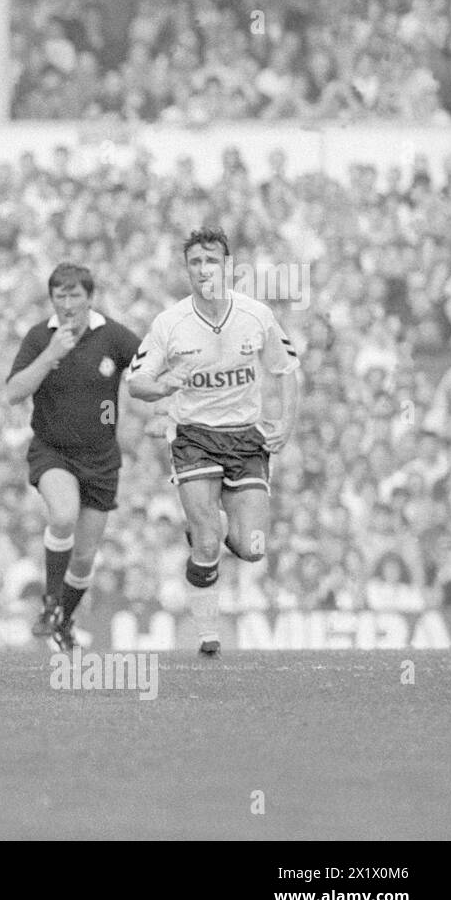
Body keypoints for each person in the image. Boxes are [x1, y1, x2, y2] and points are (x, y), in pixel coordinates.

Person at [128, 227, 301, 657]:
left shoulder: (256, 315)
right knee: (207, 539)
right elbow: (137, 384)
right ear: (187, 270)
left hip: (246, 439)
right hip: (194, 438)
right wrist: (167, 383)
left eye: (211, 261)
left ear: (228, 267)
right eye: (195, 262)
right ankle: (208, 635)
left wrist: (288, 422)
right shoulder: (170, 323)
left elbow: (286, 369)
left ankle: (217, 525)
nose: (204, 269)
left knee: (251, 548)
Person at [5, 263, 142, 649]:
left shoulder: (113, 336)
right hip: (54, 452)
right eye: (59, 296)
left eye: (74, 295)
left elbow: (147, 368)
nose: (67, 304)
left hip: (101, 459)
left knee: (84, 559)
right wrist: (50, 355)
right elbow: (14, 392)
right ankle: (50, 604)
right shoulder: (40, 337)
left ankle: (64, 620)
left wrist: (160, 407)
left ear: (89, 298)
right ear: (52, 300)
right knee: (62, 514)